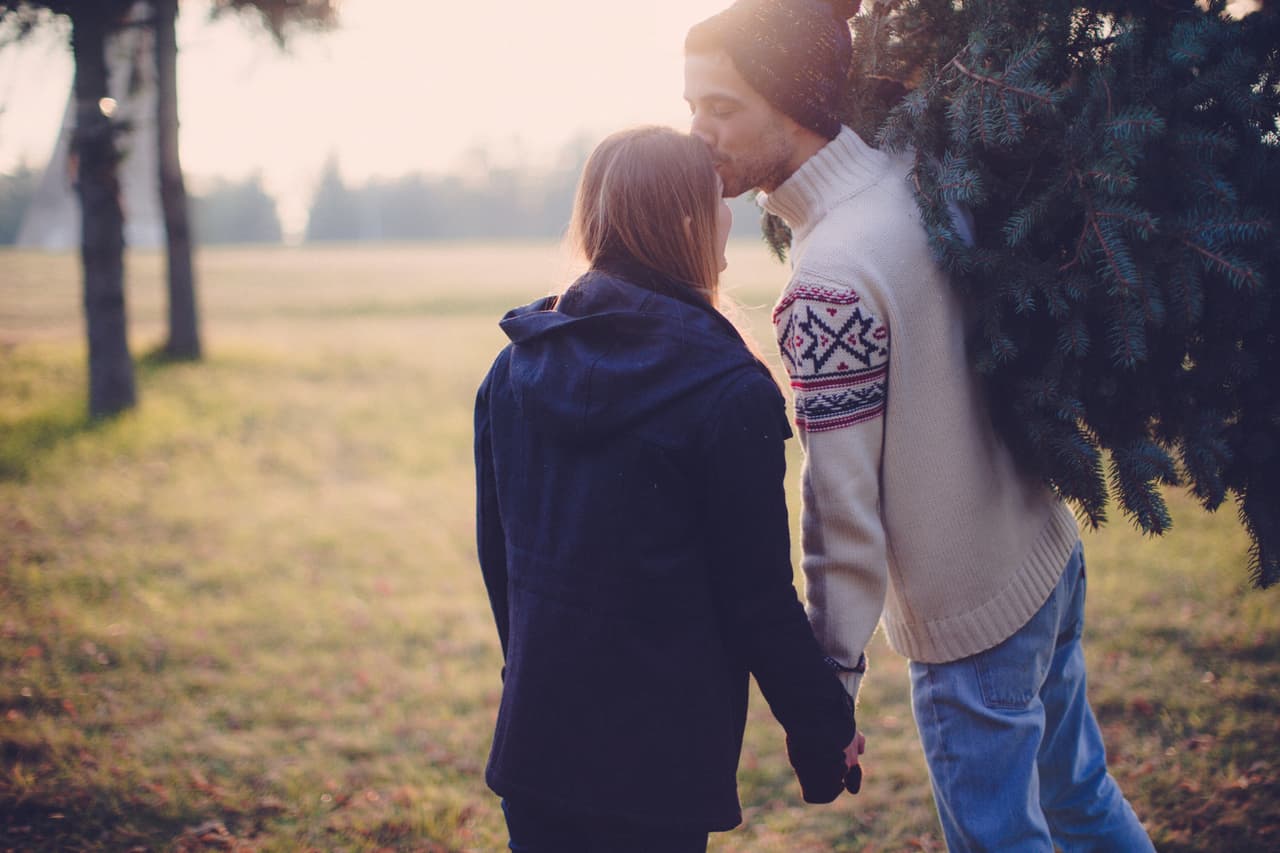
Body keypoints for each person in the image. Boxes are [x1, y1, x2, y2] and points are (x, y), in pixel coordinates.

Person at [683, 2, 1157, 851]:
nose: (698, 133)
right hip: (1043, 557)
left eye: (722, 108)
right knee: (1082, 798)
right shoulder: (915, 172)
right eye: (692, 107)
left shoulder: (827, 282)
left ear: (791, 101)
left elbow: (842, 512)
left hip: (970, 618)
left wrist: (831, 686)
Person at [473, 125, 863, 853]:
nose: (728, 216)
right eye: (717, 200)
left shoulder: (512, 370)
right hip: (658, 770)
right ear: (687, 221)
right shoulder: (728, 393)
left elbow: (503, 567)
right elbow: (758, 599)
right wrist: (824, 731)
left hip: (539, 745)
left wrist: (530, 679)